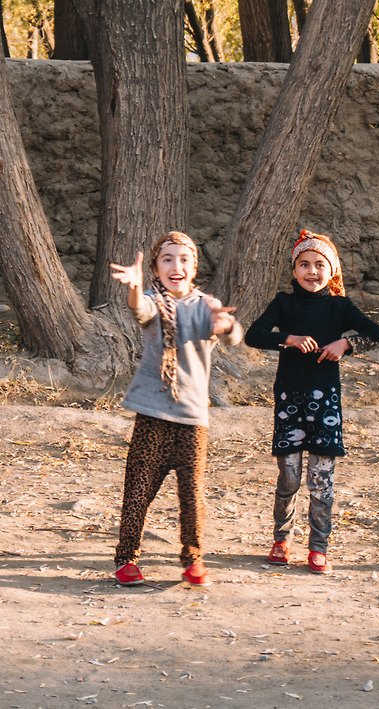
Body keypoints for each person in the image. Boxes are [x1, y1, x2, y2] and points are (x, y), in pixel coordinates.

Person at [245, 230, 379, 574]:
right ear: (294, 270)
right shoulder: (284, 303)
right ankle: (281, 540)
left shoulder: (340, 306)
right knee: (289, 476)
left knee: (321, 478)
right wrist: (288, 339)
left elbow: (378, 335)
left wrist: (345, 345)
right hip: (288, 400)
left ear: (332, 270)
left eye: (319, 264)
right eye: (304, 264)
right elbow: (254, 335)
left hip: (325, 405)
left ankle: (318, 546)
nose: (312, 271)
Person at [110, 232, 242, 587]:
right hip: (152, 415)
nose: (176, 266)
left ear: (194, 267)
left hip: (192, 418)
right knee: (138, 489)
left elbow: (231, 333)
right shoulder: (155, 301)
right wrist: (135, 287)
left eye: (184, 259)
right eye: (167, 259)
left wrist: (225, 325)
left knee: (192, 495)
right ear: (155, 266)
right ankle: (126, 558)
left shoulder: (205, 305)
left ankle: (193, 558)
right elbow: (141, 310)